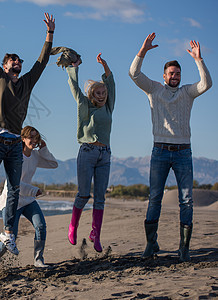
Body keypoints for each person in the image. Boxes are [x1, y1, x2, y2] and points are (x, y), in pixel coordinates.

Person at [0, 0, 55, 257]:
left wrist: (49, 36)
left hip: (13, 142)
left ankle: (8, 233)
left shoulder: (27, 84)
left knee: (14, 188)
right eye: (12, 60)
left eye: (18, 61)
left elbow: (41, 63)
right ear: (5, 65)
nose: (16, 63)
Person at [129, 33, 212, 262]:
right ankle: (150, 243)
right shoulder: (154, 89)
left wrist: (198, 60)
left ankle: (183, 247)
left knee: (186, 200)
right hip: (160, 151)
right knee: (155, 198)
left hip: (184, 152)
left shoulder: (187, 92)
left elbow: (206, 84)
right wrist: (142, 51)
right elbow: (134, 74)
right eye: (171, 73)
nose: (174, 76)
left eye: (177, 74)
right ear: (164, 76)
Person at [0, 126, 58, 271]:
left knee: (40, 226)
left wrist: (44, 149)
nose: (34, 140)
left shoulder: (36, 156)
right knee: (11, 235)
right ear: (23, 139)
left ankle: (38, 260)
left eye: (36, 137)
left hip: (27, 200)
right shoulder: (15, 155)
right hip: (12, 200)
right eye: (30, 137)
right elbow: (14, 183)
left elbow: (53, 164)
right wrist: (34, 190)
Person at [65, 53, 115, 253]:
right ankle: (73, 226)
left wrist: (105, 66)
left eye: (104, 92)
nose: (102, 95)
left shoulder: (109, 107)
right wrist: (74, 68)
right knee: (84, 194)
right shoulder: (84, 106)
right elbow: (76, 90)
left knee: (100, 197)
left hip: (105, 155)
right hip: (86, 152)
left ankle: (96, 234)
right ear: (92, 95)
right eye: (98, 93)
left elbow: (111, 84)